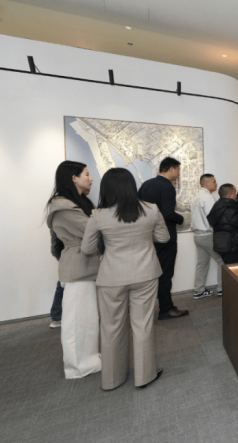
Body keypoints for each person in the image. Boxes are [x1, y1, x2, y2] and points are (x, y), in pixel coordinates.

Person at [81, 168, 170, 390]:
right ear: (131, 186)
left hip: (112, 276)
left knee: (111, 327)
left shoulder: (98, 215)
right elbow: (163, 237)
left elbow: (87, 248)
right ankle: (145, 376)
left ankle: (112, 379)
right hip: (146, 273)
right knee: (143, 325)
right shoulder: (151, 209)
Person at [45, 161, 102, 379]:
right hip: (78, 270)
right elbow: (92, 229)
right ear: (74, 178)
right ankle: (78, 366)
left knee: (88, 321)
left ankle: (89, 359)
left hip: (88, 267)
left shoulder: (79, 202)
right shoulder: (62, 208)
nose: (91, 178)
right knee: (77, 322)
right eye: (86, 174)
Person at [137, 157, 189, 320]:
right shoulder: (167, 187)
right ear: (171, 169)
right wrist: (181, 219)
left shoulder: (146, 185)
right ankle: (166, 308)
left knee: (149, 274)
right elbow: (167, 213)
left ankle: (143, 308)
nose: (178, 174)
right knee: (165, 274)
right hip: (165, 238)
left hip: (147, 236)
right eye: (178, 170)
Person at [190, 173, 223, 299]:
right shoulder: (207, 197)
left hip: (198, 236)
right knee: (223, 261)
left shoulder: (196, 197)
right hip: (208, 235)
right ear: (206, 183)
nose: (216, 184)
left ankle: (199, 290)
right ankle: (222, 289)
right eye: (214, 181)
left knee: (201, 263)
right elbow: (214, 218)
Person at [208, 184, 238, 265]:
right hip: (232, 245)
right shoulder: (231, 208)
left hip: (221, 244)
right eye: (235, 192)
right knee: (234, 269)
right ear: (230, 195)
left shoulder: (216, 206)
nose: (236, 195)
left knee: (227, 269)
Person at [49, 231, 65, 328]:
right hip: (64, 249)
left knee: (64, 280)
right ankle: (56, 317)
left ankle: (56, 316)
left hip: (60, 249)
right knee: (64, 281)